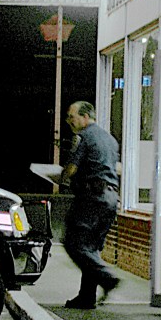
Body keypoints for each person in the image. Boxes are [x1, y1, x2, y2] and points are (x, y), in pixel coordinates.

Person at [58, 100, 121, 309]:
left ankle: (107, 278)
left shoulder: (83, 137)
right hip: (111, 198)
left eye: (72, 117)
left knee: (73, 242)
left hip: (91, 198)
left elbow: (72, 169)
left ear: (85, 117)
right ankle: (87, 297)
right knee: (91, 248)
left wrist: (61, 177)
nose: (69, 122)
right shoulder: (110, 139)